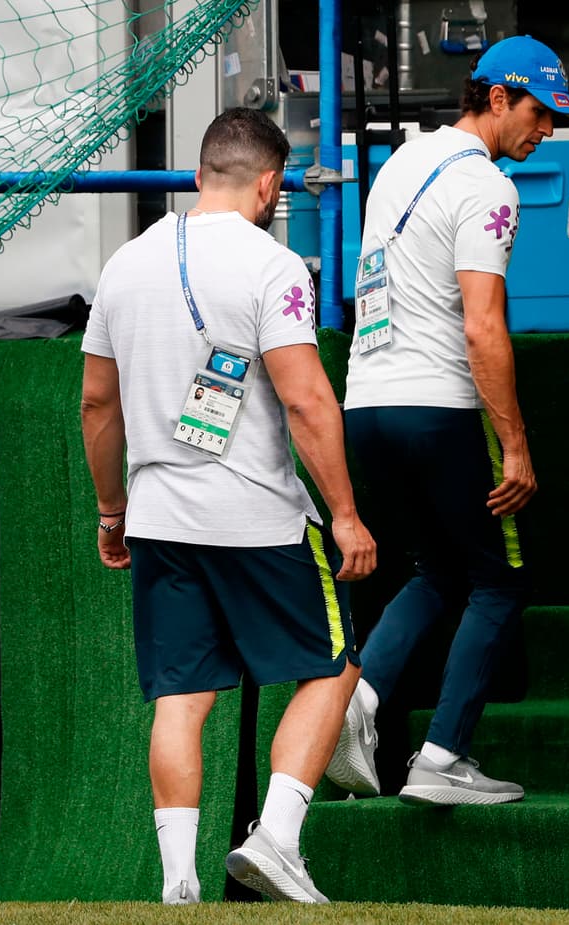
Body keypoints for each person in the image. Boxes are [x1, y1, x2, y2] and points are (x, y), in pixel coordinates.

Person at [79, 107, 377, 905]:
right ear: (271, 182)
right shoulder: (274, 265)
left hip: (157, 517)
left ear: (202, 171)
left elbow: (96, 404)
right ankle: (277, 838)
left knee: (182, 695)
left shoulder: (125, 262)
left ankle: (179, 883)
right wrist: (344, 514)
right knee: (336, 664)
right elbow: (308, 399)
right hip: (256, 517)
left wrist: (113, 511)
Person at [324, 34, 569, 806]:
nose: (549, 132)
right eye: (542, 113)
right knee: (499, 583)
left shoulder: (399, 162)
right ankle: (441, 760)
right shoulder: (488, 189)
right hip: (438, 405)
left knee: (436, 571)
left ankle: (356, 706)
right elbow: (482, 325)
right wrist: (515, 444)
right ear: (497, 97)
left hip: (367, 404)